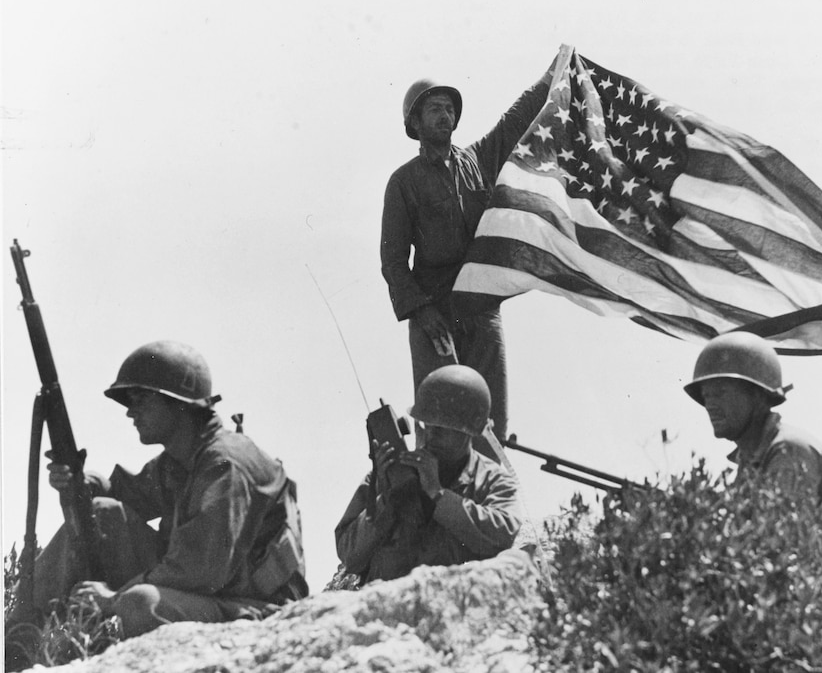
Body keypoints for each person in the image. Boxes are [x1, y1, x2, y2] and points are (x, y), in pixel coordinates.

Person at [25, 341, 307, 639]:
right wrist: (78, 483)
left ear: (179, 403)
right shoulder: (179, 460)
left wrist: (112, 599)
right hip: (210, 595)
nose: (130, 413)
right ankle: (21, 634)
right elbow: (117, 495)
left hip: (259, 610)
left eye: (141, 400)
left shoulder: (226, 464)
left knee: (140, 603)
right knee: (101, 513)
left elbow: (200, 569)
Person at [380, 69, 551, 454]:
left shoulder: (476, 160)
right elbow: (392, 262)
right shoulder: (403, 182)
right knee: (438, 422)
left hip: (480, 308)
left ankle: (492, 500)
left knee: (492, 425)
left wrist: (550, 77)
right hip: (433, 314)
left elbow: (514, 122)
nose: (445, 116)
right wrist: (422, 313)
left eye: (448, 109)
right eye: (434, 110)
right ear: (415, 122)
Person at [684, 331, 822, 562]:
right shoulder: (751, 459)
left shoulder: (789, 450)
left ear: (757, 395)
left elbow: (778, 547)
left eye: (721, 393)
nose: (710, 405)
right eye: (706, 396)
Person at [335, 365, 521, 583]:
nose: (430, 435)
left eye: (441, 429)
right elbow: (350, 556)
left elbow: (502, 535)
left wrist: (438, 494)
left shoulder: (493, 481)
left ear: (467, 432)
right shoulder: (392, 473)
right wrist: (385, 501)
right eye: (426, 425)